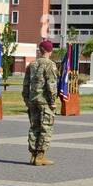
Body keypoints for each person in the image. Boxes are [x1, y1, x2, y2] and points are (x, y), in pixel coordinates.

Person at [24, 38, 59, 166]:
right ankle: (40, 156)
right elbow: (51, 85)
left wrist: (26, 99)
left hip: (33, 100)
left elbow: (25, 85)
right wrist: (53, 101)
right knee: (46, 128)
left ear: (40, 50)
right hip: (44, 101)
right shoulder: (50, 64)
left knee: (34, 127)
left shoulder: (32, 64)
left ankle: (33, 155)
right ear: (50, 50)